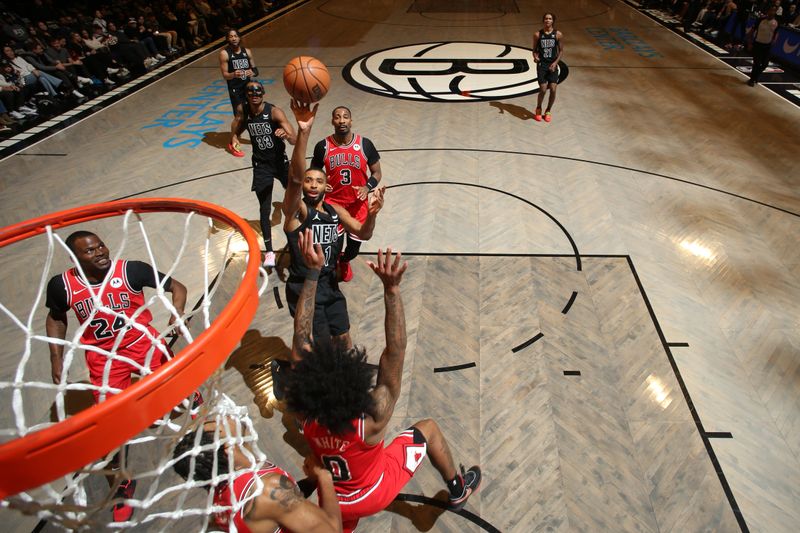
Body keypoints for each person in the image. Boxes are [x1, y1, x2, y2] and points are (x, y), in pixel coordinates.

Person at [283, 231, 482, 533]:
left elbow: (300, 339)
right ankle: (457, 488)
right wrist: (392, 290)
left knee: (322, 471)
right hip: (375, 491)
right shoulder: (370, 419)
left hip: (333, 499)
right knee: (427, 429)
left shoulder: (305, 417)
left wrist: (311, 273)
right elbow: (396, 351)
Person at [44, 230, 192, 521]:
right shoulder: (62, 286)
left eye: (100, 245)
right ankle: (123, 480)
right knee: (109, 425)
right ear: (75, 258)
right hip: (103, 358)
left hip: (142, 343)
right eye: (90, 251)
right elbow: (55, 316)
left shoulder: (131, 270)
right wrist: (56, 357)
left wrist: (176, 313)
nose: (99, 252)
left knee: (177, 384)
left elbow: (179, 287)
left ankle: (187, 393)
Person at [282, 99, 385, 346]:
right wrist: (304, 132)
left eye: (319, 180)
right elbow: (295, 178)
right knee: (314, 345)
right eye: (310, 181)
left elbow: (364, 232)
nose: (314, 184)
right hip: (306, 285)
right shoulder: (297, 213)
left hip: (328, 282)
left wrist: (372, 213)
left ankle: (347, 380)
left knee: (344, 338)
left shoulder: (334, 209)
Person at [173, 418, 343, 532]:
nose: (225, 416)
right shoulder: (267, 489)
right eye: (218, 424)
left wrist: (310, 481)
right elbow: (333, 529)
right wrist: (323, 476)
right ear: (228, 450)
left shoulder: (224, 488)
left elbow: (281, 506)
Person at [310, 106, 382, 283]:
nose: (341, 120)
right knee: (334, 244)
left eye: (345, 117)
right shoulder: (323, 146)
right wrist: (321, 184)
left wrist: (367, 187)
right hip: (333, 203)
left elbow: (377, 173)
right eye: (337, 117)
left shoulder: (365, 144)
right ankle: (334, 263)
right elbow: (313, 172)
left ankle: (345, 261)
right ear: (332, 121)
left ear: (351, 121)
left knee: (354, 248)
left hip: (358, 204)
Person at [230, 80, 296, 266]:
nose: (255, 94)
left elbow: (294, 139)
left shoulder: (274, 112)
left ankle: (298, 237)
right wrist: (234, 136)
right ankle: (269, 252)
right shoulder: (243, 109)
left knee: (295, 200)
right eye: (250, 91)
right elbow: (238, 124)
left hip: (280, 163)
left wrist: (286, 134)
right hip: (261, 165)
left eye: (258, 91)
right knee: (263, 208)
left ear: (263, 93)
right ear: (247, 95)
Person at [532, 12, 563, 123]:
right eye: (546, 18)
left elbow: (561, 51)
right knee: (543, 89)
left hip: (553, 65)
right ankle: (539, 108)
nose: (548, 20)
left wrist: (555, 63)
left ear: (553, 21)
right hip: (542, 65)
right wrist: (535, 57)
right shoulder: (537, 35)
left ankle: (548, 110)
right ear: (543, 20)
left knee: (553, 90)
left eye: (550, 18)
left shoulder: (558, 34)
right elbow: (534, 51)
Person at [219, 28, 257, 114]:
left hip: (248, 87)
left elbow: (255, 70)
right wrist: (233, 74)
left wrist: (252, 73)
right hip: (235, 89)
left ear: (239, 38)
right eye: (231, 37)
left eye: (235, 36)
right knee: (239, 115)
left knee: (252, 113)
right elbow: (225, 75)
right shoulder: (224, 53)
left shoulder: (247, 51)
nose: (233, 38)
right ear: (228, 39)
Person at [746, 6, 779, 85]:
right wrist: (750, 43)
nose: (772, 12)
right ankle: (752, 80)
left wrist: (774, 41)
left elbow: (776, 33)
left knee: (765, 64)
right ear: (767, 11)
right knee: (756, 63)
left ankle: (756, 75)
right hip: (758, 44)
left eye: (773, 11)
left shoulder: (776, 23)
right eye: (770, 10)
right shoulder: (760, 20)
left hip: (767, 46)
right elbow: (751, 31)